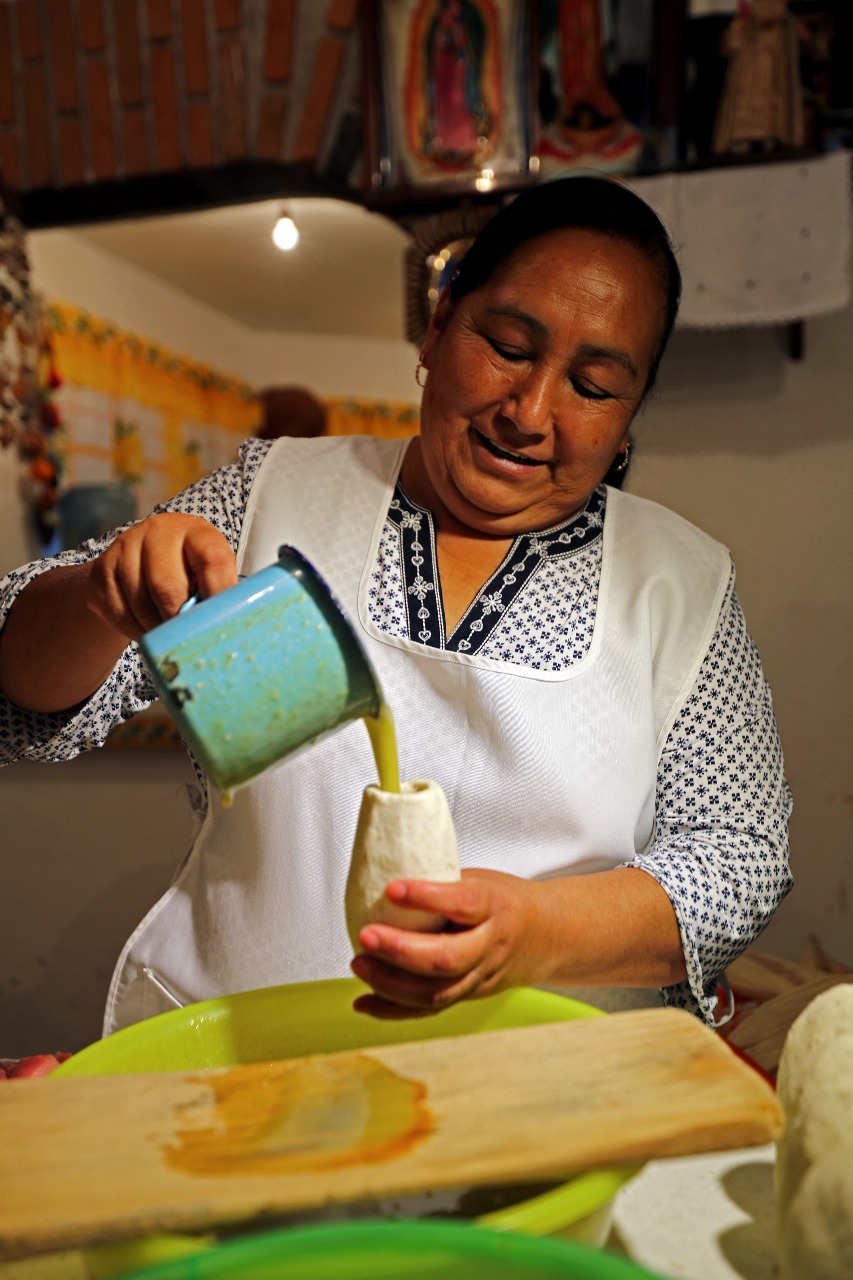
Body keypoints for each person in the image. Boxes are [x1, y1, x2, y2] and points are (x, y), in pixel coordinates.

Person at [0, 177, 792, 1036]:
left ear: (629, 419)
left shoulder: (680, 583)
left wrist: (537, 933)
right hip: (253, 1063)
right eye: (506, 345)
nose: (529, 413)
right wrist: (99, 598)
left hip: (554, 1088)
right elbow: (22, 694)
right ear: (441, 322)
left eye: (593, 388)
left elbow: (739, 859)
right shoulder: (276, 496)